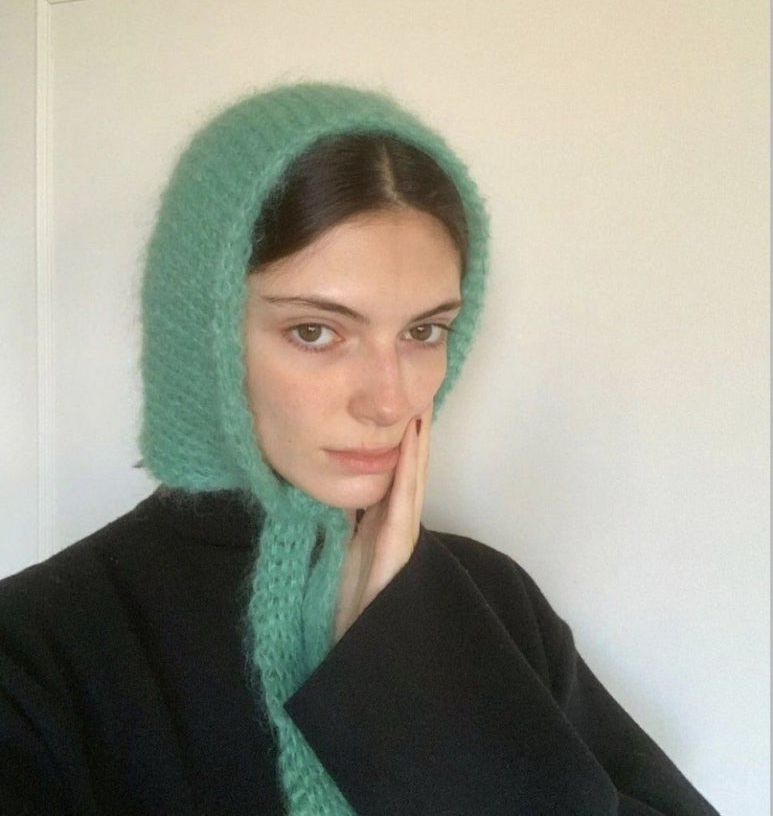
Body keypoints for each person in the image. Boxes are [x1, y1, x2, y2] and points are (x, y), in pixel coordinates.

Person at [0, 83, 720, 815]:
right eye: (315, 331)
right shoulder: (32, 651)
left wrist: (407, 675)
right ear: (200, 336)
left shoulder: (494, 600)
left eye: (423, 331)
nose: (389, 399)